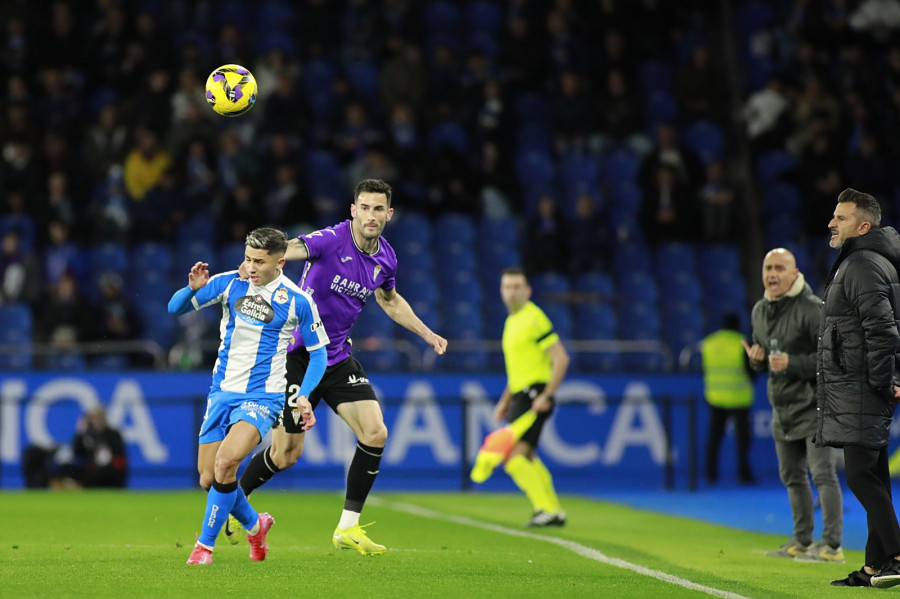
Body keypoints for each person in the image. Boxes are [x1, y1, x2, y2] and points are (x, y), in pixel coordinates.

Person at [234, 179, 447, 555]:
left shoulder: (386, 258)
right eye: (364, 207)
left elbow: (390, 300)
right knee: (286, 455)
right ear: (353, 210)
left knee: (376, 431)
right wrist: (258, 260)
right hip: (297, 356)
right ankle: (235, 502)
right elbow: (294, 248)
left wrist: (427, 333)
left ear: (389, 214)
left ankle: (347, 527)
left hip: (335, 357)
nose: (370, 215)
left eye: (378, 209)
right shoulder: (333, 239)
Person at [167, 227, 329, 565]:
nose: (251, 267)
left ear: (280, 262)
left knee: (227, 462)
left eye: (259, 261)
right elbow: (175, 308)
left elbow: (318, 354)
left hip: (263, 397)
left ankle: (203, 547)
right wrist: (191, 290)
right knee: (209, 477)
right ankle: (256, 526)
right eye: (247, 259)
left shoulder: (298, 300)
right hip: (221, 392)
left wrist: (305, 396)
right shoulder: (230, 282)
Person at [816, 189, 900, 588]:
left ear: (863, 226)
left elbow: (882, 331)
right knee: (874, 477)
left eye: (842, 217)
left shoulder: (863, 264)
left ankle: (898, 556)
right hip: (861, 384)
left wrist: (884, 381)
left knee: (861, 477)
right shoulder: (863, 261)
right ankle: (874, 566)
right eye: (834, 216)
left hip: (863, 386)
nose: (832, 223)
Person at [743, 248, 844, 563]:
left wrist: (794, 363)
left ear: (794, 272)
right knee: (792, 476)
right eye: (767, 268)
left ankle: (832, 546)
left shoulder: (813, 309)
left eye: (779, 268)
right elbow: (767, 359)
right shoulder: (759, 310)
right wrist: (757, 362)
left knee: (822, 474)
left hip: (816, 405)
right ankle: (802, 541)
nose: (772, 274)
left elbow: (834, 359)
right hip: (782, 408)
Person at [491, 267, 570, 527]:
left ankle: (546, 509)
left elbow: (560, 358)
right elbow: (518, 370)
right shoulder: (512, 321)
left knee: (513, 457)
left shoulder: (533, 318)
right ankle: (553, 510)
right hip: (521, 395)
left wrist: (547, 394)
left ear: (527, 291)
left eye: (517, 287)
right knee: (528, 456)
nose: (511, 293)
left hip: (535, 394)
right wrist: (505, 400)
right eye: (507, 287)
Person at [700, 313, 755, 486]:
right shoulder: (743, 343)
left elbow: (704, 369)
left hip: (715, 396)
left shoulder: (709, 343)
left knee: (714, 437)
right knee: (742, 439)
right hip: (739, 398)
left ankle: (710, 474)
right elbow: (752, 370)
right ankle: (743, 474)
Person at [71, 405, 127, 488]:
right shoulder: (87, 435)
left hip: (110, 471)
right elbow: (76, 452)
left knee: (105, 470)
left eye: (99, 417)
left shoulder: (113, 435)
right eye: (94, 418)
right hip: (92, 473)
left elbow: (120, 455)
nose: (97, 420)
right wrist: (80, 432)